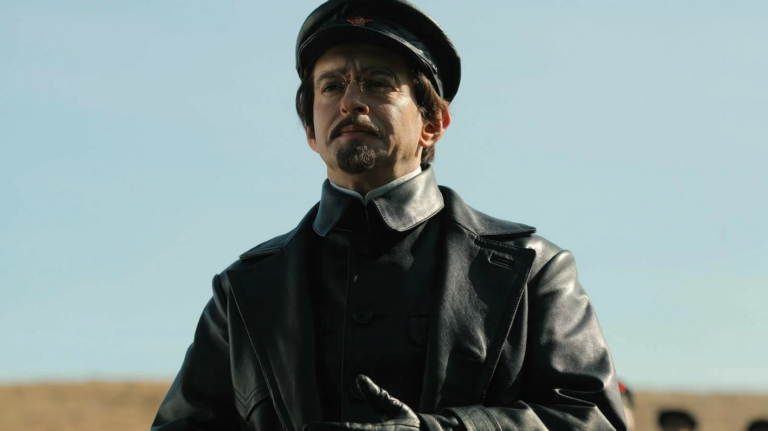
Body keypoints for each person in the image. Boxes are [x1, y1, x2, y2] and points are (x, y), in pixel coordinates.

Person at [151, 0, 627, 430]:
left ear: (433, 123)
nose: (350, 101)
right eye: (331, 86)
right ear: (311, 131)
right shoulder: (243, 292)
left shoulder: (533, 271)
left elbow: (593, 421)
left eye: (378, 82)